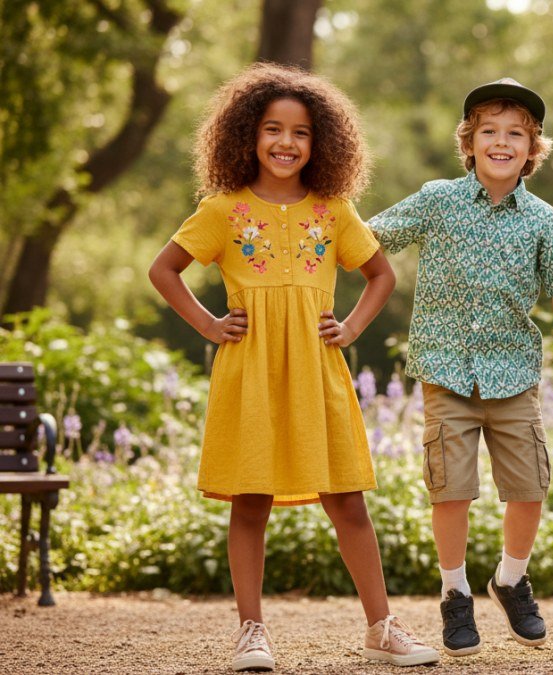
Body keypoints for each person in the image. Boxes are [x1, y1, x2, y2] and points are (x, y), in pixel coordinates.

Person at [148, 63, 437, 671]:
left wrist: (352, 326)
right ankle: (251, 632)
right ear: (246, 136)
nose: (286, 143)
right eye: (273, 129)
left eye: (301, 132)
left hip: (317, 368)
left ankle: (381, 628)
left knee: (348, 499)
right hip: (249, 371)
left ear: (321, 142)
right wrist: (207, 323)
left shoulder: (334, 210)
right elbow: (163, 269)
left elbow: (381, 273)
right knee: (249, 501)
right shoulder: (222, 209)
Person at [368, 78, 553, 657]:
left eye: (516, 135)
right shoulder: (437, 199)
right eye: (489, 132)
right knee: (451, 489)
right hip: (445, 371)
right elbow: (368, 237)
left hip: (514, 374)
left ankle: (511, 577)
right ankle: (455, 594)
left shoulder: (543, 220)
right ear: (469, 143)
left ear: (532, 149)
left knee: (529, 487)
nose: (502, 143)